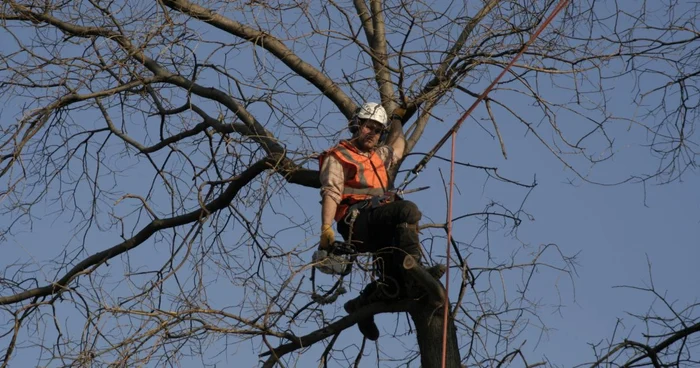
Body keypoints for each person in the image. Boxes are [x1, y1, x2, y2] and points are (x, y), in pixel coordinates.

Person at [317, 102, 423, 341]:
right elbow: (331, 192)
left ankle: (362, 304)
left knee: (395, 285)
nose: (373, 133)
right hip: (357, 221)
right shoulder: (339, 157)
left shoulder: (378, 155)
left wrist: (396, 119)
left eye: (378, 130)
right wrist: (326, 228)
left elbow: (397, 146)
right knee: (407, 211)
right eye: (368, 127)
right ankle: (415, 274)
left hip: (380, 223)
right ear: (357, 125)